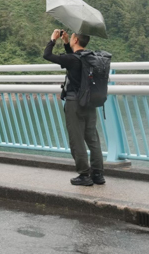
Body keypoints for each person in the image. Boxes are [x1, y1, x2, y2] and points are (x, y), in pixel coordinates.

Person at [43, 29, 104, 186]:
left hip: (74, 103)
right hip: (90, 102)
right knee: (92, 138)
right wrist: (65, 42)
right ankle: (98, 174)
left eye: (72, 38)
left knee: (77, 140)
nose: (71, 39)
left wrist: (53, 39)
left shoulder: (72, 59)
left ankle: (84, 175)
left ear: (75, 40)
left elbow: (47, 55)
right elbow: (74, 61)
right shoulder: (91, 58)